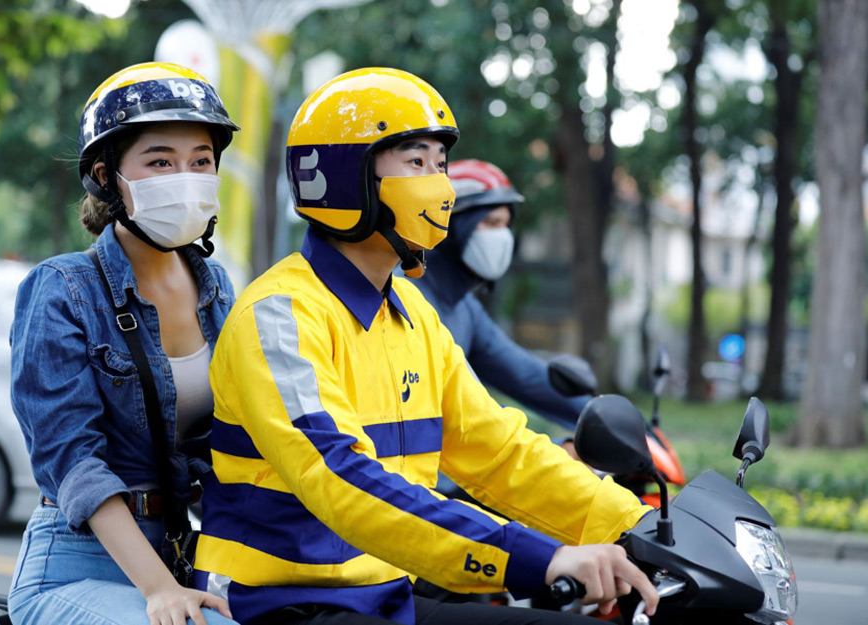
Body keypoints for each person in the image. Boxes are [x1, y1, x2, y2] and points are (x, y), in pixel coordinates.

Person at [193, 67, 659, 625]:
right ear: (345, 179)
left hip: (383, 595)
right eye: (416, 163)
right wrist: (544, 556)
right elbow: (341, 477)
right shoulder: (280, 316)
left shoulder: (413, 311)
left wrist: (633, 527)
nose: (441, 187)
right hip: (277, 602)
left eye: (441, 166)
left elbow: (499, 451)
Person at [8, 62, 240, 625]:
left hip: (185, 557)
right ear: (106, 176)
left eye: (200, 161)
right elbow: (74, 463)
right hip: (77, 566)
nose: (185, 177)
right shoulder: (62, 289)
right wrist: (160, 590)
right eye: (160, 160)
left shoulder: (218, 289)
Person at [415, 159, 590, 433]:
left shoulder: (464, 308)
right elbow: (458, 420)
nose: (501, 236)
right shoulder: (406, 297)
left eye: (505, 225)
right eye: (490, 222)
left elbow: (525, 375)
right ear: (450, 224)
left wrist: (604, 414)